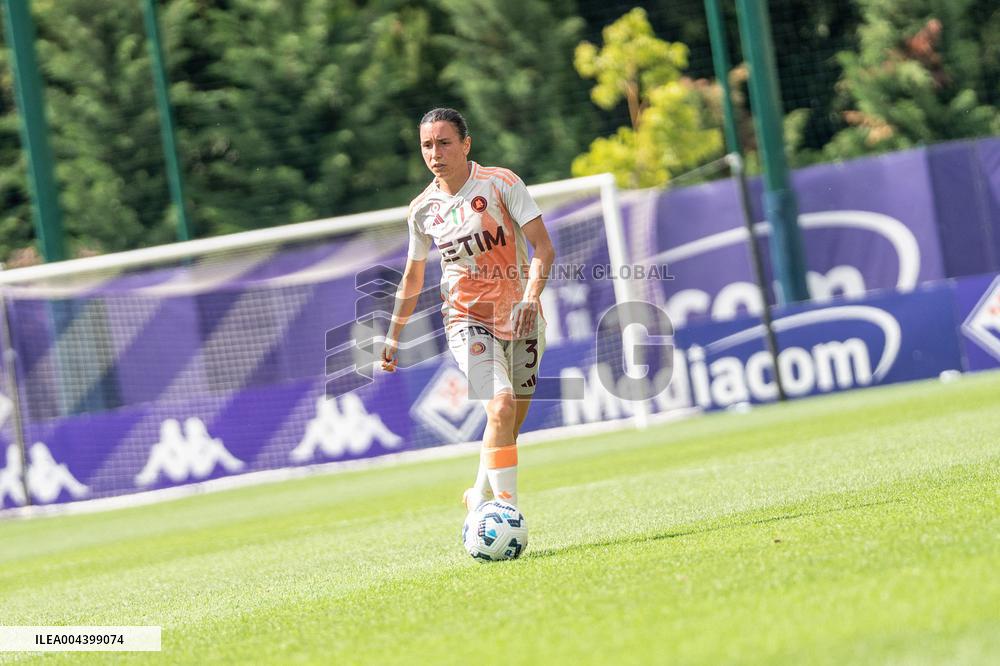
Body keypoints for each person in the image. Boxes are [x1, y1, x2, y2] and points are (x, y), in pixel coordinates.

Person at [381, 108, 555, 511]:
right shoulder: (423, 210)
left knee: (508, 423)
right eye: (427, 145)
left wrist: (530, 297)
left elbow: (543, 248)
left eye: (444, 142)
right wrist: (393, 333)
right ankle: (507, 511)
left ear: (465, 144)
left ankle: (478, 494)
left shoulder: (501, 184)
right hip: (467, 320)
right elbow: (412, 275)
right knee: (501, 405)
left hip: (523, 317)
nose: (435, 153)